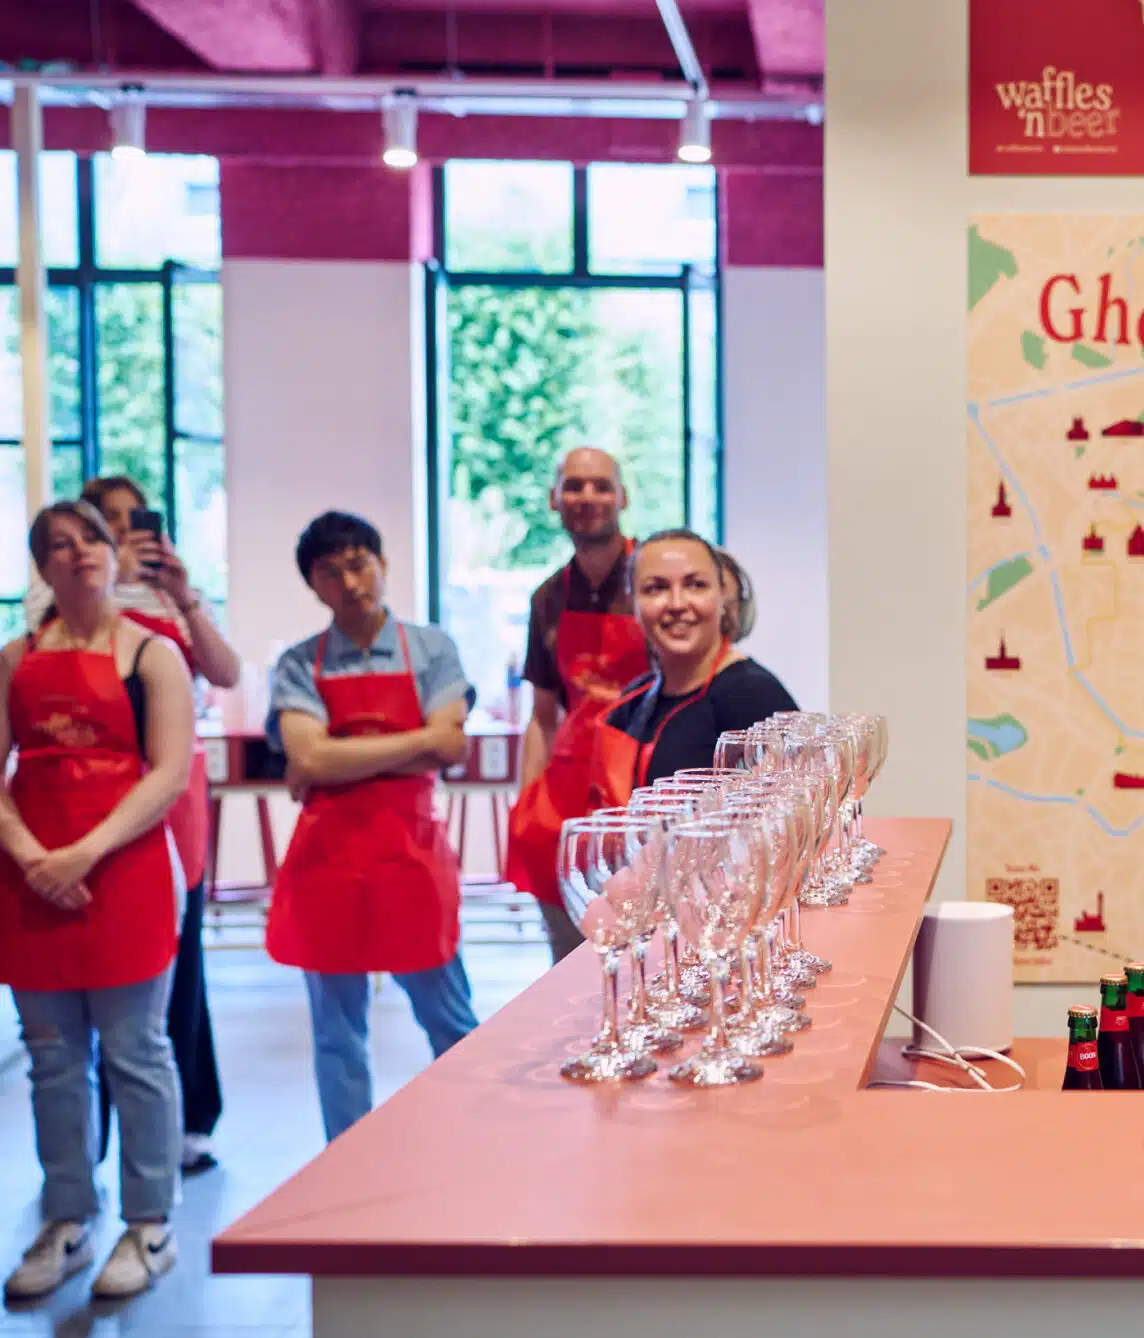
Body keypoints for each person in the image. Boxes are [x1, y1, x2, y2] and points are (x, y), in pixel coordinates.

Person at [1, 502, 193, 1302]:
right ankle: (68, 1217)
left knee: (135, 1052)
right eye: (58, 544)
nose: (77, 553)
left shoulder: (152, 655)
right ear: (41, 567)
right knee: (52, 1059)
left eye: (90, 539)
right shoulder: (13, 660)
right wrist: (31, 857)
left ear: (113, 554)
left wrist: (83, 852)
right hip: (30, 879)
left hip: (126, 871)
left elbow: (169, 773)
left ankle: (149, 1224)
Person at [28, 475, 239, 1176]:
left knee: (172, 977)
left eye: (128, 520)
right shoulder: (53, 611)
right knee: (77, 996)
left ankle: (184, 1126)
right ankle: (88, 1149)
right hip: (73, 810)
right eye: (103, 523)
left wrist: (184, 596)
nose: (120, 534)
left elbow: (226, 673)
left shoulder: (173, 603)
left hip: (169, 803)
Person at [266, 512, 479, 1142]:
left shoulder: (431, 647)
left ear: (383, 564)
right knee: (337, 1033)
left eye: (359, 564)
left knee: (451, 1020)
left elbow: (452, 746)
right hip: (327, 863)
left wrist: (338, 757)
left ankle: (477, 1144)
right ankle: (346, 1161)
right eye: (331, 572)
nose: (351, 582)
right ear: (313, 585)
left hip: (411, 856)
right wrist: (418, 743)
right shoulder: (299, 663)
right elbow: (309, 758)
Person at [504, 448, 649, 964]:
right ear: (554, 499)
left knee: (649, 960)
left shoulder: (653, 582)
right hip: (565, 806)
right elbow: (542, 717)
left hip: (642, 795)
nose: (587, 497)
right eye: (574, 486)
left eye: (601, 486)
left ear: (623, 497)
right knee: (568, 965)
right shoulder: (547, 598)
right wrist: (526, 807)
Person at [591, 531, 797, 810]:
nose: (677, 604)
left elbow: (792, 818)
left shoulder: (756, 697)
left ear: (723, 597)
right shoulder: (634, 700)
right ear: (632, 603)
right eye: (656, 588)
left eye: (696, 585)